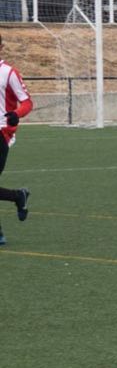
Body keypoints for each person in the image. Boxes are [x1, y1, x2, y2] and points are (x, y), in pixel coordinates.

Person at [0, 34, 32, 246]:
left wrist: (16, 114)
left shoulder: (9, 72)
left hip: (1, 132)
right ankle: (17, 196)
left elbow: (27, 102)